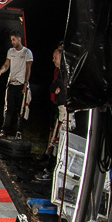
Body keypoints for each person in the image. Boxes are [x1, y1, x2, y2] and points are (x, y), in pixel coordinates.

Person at [36, 46, 75, 181]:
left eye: (55, 57)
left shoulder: (69, 73)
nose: (53, 60)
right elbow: (52, 87)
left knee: (59, 142)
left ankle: (53, 171)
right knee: (56, 140)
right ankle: (52, 170)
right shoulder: (62, 72)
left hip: (66, 113)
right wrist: (56, 88)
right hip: (61, 111)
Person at [0, 30, 33, 139]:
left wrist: (25, 83)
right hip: (12, 83)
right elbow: (6, 64)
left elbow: (28, 69)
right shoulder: (10, 51)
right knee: (8, 108)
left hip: (21, 84)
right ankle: (4, 130)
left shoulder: (27, 52)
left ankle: (19, 132)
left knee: (21, 109)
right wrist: (1, 71)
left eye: (14, 40)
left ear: (19, 39)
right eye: (11, 40)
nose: (12, 42)